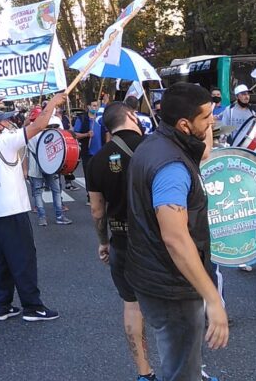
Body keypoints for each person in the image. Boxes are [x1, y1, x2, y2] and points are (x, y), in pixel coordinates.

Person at [125, 82, 228, 381]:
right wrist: (213, 299)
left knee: (178, 360)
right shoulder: (171, 165)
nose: (213, 121)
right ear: (184, 124)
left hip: (151, 274)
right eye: (207, 116)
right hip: (172, 285)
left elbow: (201, 150)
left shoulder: (156, 144)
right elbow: (175, 238)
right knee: (182, 370)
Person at [0, 93, 68, 321]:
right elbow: (40, 125)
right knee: (23, 258)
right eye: (5, 120)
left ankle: (2, 306)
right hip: (13, 210)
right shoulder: (5, 140)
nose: (9, 122)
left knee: (0, 261)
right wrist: (52, 103)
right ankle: (33, 307)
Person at [87, 102, 155, 381]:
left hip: (122, 240)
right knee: (174, 306)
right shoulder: (154, 147)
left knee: (131, 304)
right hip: (158, 240)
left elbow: (96, 211)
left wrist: (104, 241)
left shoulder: (97, 160)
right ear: (130, 116)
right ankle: (186, 368)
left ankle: (144, 372)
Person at [26, 107, 72, 226]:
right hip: (51, 165)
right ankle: (59, 216)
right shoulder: (49, 132)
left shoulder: (28, 132)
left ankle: (42, 218)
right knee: (56, 191)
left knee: (37, 193)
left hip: (35, 166)